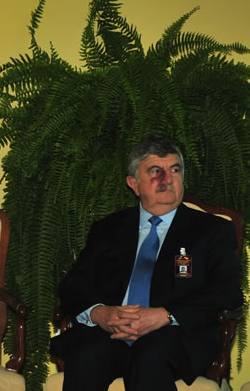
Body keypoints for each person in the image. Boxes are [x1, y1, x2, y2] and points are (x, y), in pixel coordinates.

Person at [49, 136, 242, 391]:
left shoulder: (211, 230)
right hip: (112, 333)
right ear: (134, 184)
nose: (167, 179)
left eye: (175, 170)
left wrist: (165, 315)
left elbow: (227, 291)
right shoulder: (109, 229)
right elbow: (73, 284)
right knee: (87, 354)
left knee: (149, 354)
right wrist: (101, 313)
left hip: (175, 336)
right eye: (155, 171)